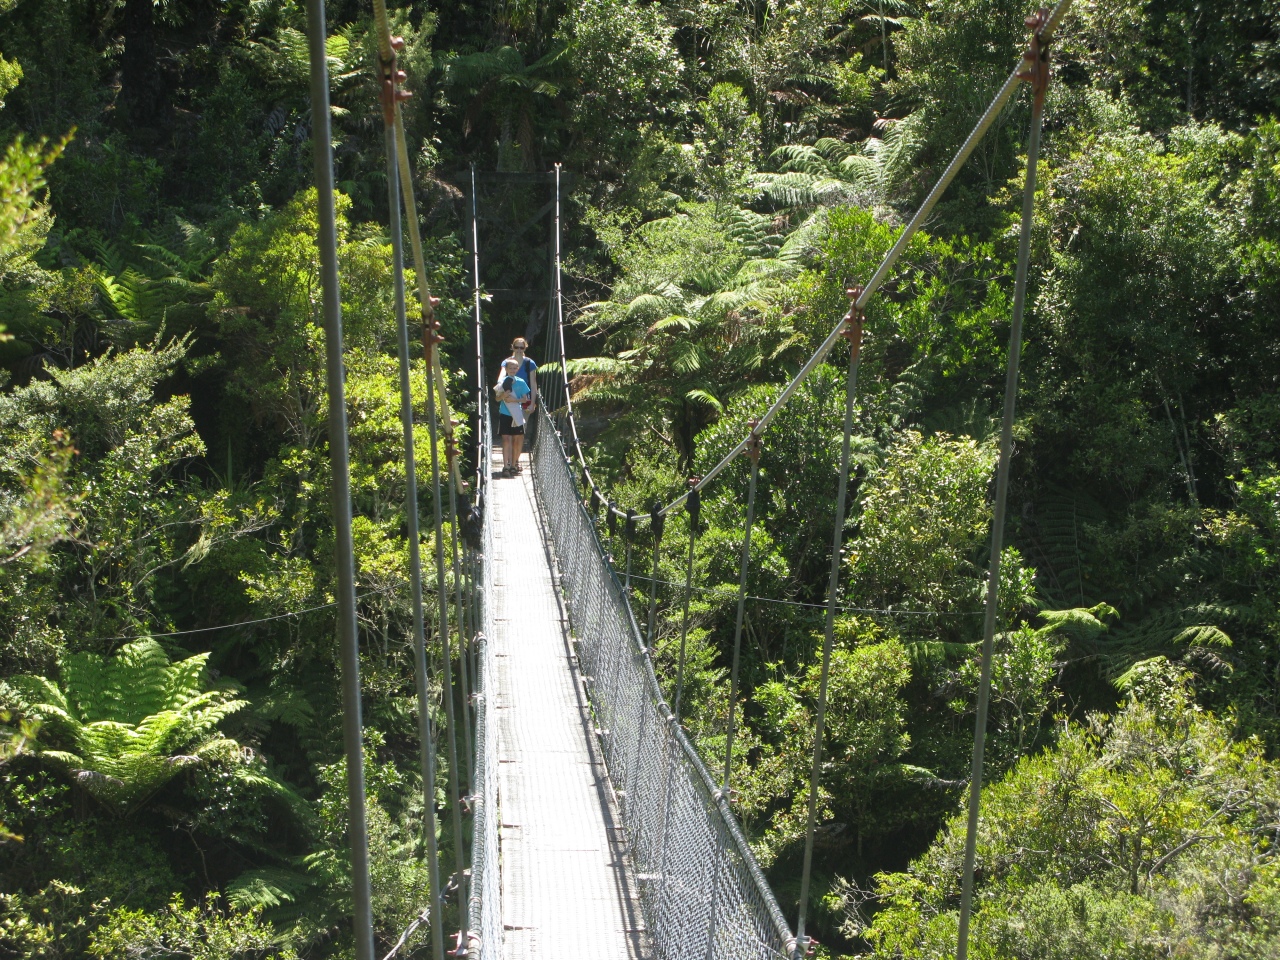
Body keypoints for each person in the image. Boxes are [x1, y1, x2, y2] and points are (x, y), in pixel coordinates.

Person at [495, 358, 530, 477]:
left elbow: (525, 399)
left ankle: (514, 465)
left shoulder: (521, 382)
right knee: (506, 440)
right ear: (506, 369)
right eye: (510, 368)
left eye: (515, 368)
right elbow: (497, 399)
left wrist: (515, 400)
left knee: (516, 440)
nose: (512, 370)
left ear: (517, 369)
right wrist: (503, 395)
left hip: (516, 414)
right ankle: (506, 466)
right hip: (505, 414)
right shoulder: (501, 383)